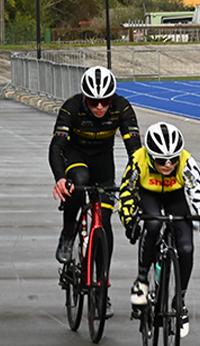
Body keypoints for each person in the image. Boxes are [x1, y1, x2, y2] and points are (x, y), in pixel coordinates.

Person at [50, 66, 141, 318]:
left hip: (103, 162)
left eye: (104, 101)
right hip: (76, 156)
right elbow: (57, 146)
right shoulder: (71, 107)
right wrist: (60, 178)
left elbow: (136, 151)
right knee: (78, 182)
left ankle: (101, 287)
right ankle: (69, 234)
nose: (100, 106)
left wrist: (135, 182)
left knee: (106, 223)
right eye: (93, 101)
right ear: (84, 97)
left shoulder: (121, 107)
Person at [119, 122, 200, 338]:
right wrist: (129, 220)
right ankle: (142, 281)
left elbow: (197, 190)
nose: (168, 164)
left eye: (173, 159)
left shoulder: (186, 161)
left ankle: (179, 300)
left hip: (175, 196)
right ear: (150, 155)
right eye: (162, 160)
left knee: (186, 248)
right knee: (152, 224)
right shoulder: (138, 159)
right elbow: (127, 191)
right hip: (149, 195)